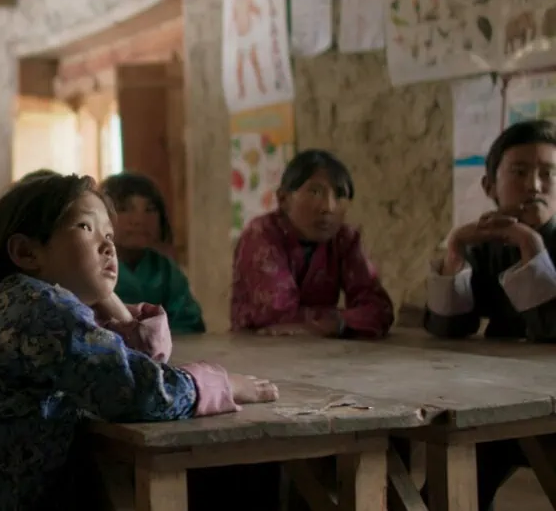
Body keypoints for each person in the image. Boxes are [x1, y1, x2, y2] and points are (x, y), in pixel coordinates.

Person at [0, 174, 279, 511]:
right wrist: (218, 383)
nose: (107, 243)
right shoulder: (39, 307)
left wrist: (109, 297)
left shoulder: (20, 302)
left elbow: (127, 363)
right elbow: (139, 390)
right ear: (26, 252)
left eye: (109, 233)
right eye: (85, 227)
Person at [423, 119, 556, 510]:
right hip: (499, 405)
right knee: (448, 488)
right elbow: (450, 327)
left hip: (551, 414)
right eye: (519, 172)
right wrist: (455, 250)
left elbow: (552, 329)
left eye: (548, 173)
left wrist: (532, 246)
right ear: (489, 187)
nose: (534, 185)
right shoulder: (488, 244)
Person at [230, 149, 395, 337]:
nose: (328, 207)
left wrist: (329, 325)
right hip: (260, 354)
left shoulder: (344, 239)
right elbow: (276, 314)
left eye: (340, 194)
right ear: (283, 199)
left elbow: (380, 308)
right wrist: (347, 321)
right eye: (315, 192)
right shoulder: (261, 235)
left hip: (321, 357)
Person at [100, 172, 207, 334]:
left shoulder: (165, 269)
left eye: (149, 210)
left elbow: (189, 323)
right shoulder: (91, 267)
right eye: (124, 209)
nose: (138, 220)